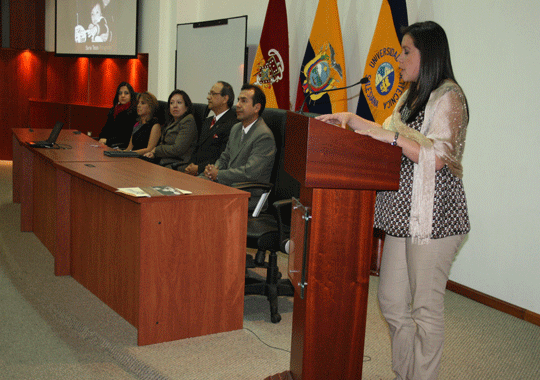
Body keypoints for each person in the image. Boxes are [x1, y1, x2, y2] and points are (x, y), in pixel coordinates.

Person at [317, 21, 470, 380]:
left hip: (434, 218)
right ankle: (405, 374)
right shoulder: (409, 96)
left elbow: (434, 158)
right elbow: (388, 140)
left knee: (425, 310)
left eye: (406, 51)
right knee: (390, 302)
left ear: (427, 54)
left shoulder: (449, 97)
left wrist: (371, 128)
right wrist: (353, 126)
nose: (399, 59)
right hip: (401, 216)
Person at [202, 84, 276, 210]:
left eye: (244, 101)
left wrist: (218, 174)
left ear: (256, 107)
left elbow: (249, 173)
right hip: (228, 186)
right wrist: (213, 169)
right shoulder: (236, 128)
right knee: (195, 186)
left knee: (203, 204)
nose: (238, 105)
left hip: (248, 195)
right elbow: (225, 157)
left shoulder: (264, 136)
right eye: (238, 100)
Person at [185, 81, 238, 176]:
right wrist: (190, 165)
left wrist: (198, 168)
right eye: (209, 93)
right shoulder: (208, 121)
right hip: (195, 170)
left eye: (213, 94)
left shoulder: (232, 124)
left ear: (225, 98)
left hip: (210, 173)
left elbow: (223, 156)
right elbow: (197, 147)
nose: (208, 97)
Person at [143, 90, 197, 170]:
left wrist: (156, 150)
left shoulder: (188, 121)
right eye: (172, 103)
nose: (175, 106)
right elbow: (164, 143)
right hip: (164, 161)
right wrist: (153, 153)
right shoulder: (172, 121)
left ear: (186, 107)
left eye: (179, 102)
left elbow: (177, 149)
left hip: (177, 164)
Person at [98, 82, 138, 149]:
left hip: (121, 147)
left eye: (126, 93)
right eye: (120, 93)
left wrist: (107, 141)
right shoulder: (114, 110)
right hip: (108, 145)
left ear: (131, 95)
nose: (122, 96)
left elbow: (125, 136)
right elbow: (105, 129)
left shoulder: (133, 112)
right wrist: (102, 138)